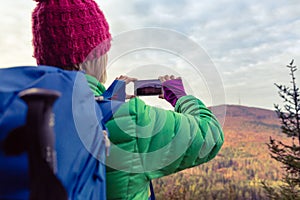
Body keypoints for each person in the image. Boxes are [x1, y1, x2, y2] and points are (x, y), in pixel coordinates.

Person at [31, 0, 224, 199]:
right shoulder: (130, 119)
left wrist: (107, 100)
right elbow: (210, 134)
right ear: (96, 55)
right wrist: (181, 98)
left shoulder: (24, 110)